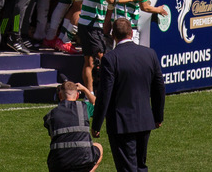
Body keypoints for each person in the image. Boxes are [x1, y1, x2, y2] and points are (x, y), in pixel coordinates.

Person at [91, 17, 165, 172]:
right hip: (144, 120)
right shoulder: (149, 54)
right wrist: (158, 116)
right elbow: (159, 88)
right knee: (140, 166)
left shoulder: (110, 59)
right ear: (131, 33)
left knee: (127, 168)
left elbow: (104, 94)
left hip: (121, 124)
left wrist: (96, 124)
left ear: (113, 36)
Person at [44, 80, 103, 172]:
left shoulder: (50, 115)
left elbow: (54, 139)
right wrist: (85, 90)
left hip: (58, 162)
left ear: (60, 96)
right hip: (83, 159)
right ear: (77, 95)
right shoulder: (84, 107)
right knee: (99, 147)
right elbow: (98, 106)